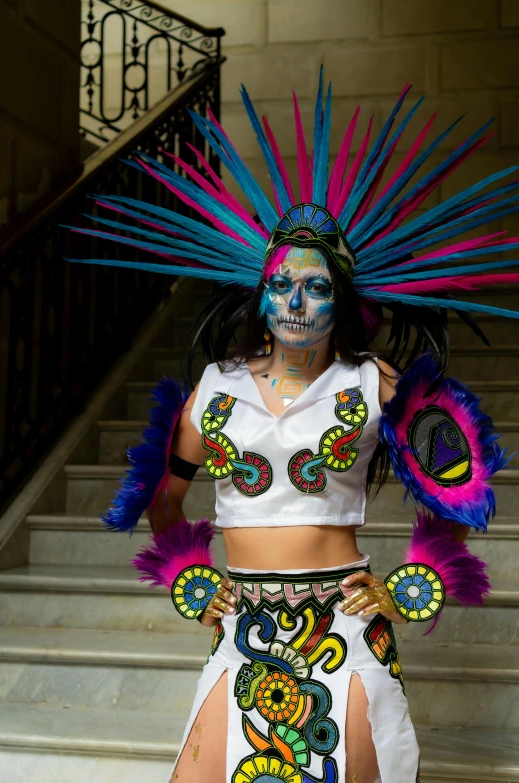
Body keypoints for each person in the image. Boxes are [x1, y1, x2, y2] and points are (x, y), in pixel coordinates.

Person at [69, 73, 518, 783]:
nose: (296, 301)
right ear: (263, 291)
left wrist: (412, 581)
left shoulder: (371, 380)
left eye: (315, 287)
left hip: (344, 621)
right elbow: (163, 495)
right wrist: (187, 569)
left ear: (340, 299)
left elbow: (462, 484)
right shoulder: (215, 386)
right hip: (242, 626)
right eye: (282, 284)